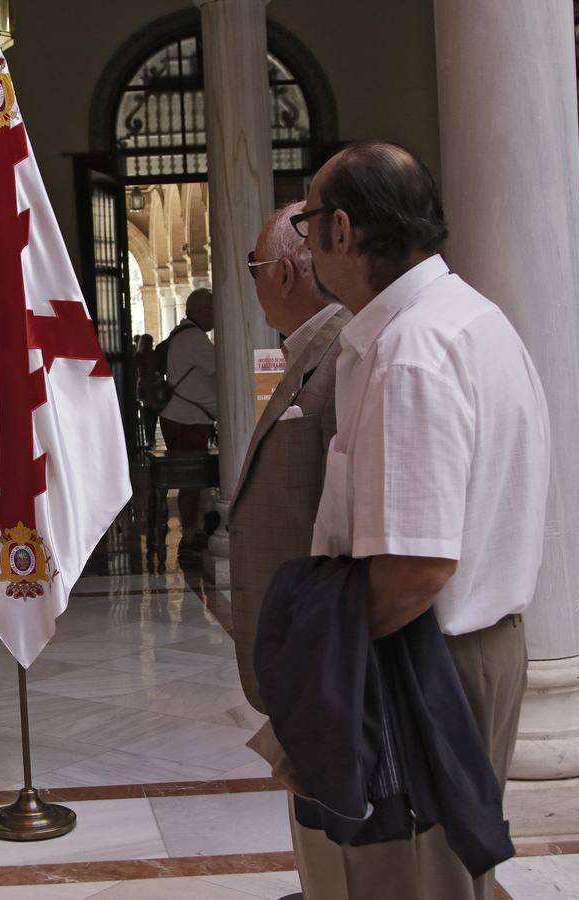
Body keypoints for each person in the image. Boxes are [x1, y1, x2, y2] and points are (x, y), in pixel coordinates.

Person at [293, 142, 549, 899]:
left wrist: (310, 670)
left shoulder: (413, 351)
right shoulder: (469, 317)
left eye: (307, 223)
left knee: (394, 878)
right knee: (448, 873)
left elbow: (413, 571)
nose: (304, 246)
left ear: (341, 230)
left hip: (421, 659)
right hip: (468, 647)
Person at [228, 201, 348, 721]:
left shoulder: (347, 352)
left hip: (319, 648)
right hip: (300, 646)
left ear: (281, 274)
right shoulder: (312, 348)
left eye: (253, 269)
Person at [159, 288, 219, 546]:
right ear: (201, 311)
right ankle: (192, 530)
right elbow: (222, 367)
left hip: (184, 416)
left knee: (191, 480)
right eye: (212, 309)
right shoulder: (194, 338)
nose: (216, 315)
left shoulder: (182, 334)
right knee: (192, 480)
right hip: (187, 419)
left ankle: (193, 526)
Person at [133, 333, 159, 448]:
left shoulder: (138, 356)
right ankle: (150, 437)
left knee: (147, 413)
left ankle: (149, 437)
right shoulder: (153, 355)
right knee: (153, 412)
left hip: (144, 385)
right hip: (151, 385)